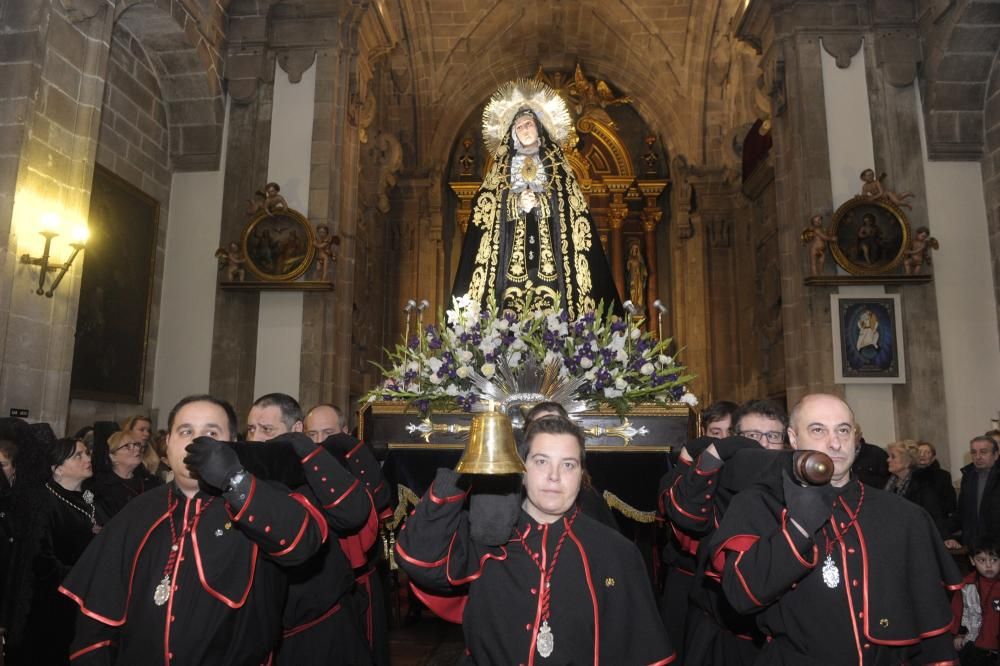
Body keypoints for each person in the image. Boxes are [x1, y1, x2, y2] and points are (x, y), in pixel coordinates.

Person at [60, 394, 328, 665]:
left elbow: (303, 543)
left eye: (211, 433)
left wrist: (235, 480)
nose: (196, 442)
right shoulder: (136, 513)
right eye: (186, 431)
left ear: (232, 445)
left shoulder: (260, 500)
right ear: (167, 444)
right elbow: (95, 629)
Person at [396, 416, 675, 664]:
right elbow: (419, 560)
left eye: (568, 465)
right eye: (541, 461)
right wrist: (467, 470)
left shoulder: (617, 552)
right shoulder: (484, 535)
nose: (554, 476)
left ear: (582, 475)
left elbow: (645, 651)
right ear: (522, 469)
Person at [710, 393, 961, 664]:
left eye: (843, 430)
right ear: (793, 439)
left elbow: (933, 631)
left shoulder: (905, 515)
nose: (835, 442)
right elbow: (742, 597)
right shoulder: (758, 503)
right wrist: (799, 529)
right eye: (818, 430)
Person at [450, 80, 621, 320]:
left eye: (529, 124)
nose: (525, 129)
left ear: (538, 127)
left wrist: (543, 202)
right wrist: (515, 204)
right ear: (513, 133)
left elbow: (572, 206)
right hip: (509, 255)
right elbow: (484, 208)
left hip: (551, 253)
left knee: (553, 301)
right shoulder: (502, 167)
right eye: (519, 127)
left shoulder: (558, 165)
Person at [250, 394, 384, 666]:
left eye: (267, 430)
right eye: (251, 430)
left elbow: (354, 512)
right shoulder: (249, 480)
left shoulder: (321, 476)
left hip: (323, 630)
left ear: (295, 432)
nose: (256, 440)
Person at [657, 400, 784, 665]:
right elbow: (686, 514)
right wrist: (713, 454)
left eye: (772, 436)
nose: (763, 445)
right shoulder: (716, 484)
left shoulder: (798, 487)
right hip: (723, 635)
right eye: (752, 436)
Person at [5, 438, 105, 665]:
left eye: (87, 453)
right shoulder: (44, 502)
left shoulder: (90, 499)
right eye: (78, 455)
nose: (88, 459)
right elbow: (42, 561)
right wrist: (86, 579)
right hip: (53, 606)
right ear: (57, 468)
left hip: (84, 603)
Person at [89, 429, 163, 519]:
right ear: (112, 457)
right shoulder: (99, 487)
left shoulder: (153, 482)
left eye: (136, 445)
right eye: (127, 446)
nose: (137, 449)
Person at [885, 439, 949, 536]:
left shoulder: (923, 484)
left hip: (915, 534)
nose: (888, 460)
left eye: (893, 457)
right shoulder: (889, 482)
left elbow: (933, 516)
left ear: (906, 462)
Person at [947, 436, 1000, 551]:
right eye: (973, 452)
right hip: (973, 545)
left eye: (983, 452)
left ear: (995, 455)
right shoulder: (968, 476)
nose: (978, 457)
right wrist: (943, 532)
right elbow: (961, 513)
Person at [953, 538, 1000, 665]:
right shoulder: (967, 585)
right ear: (972, 561)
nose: (989, 565)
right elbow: (957, 612)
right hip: (974, 642)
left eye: (994, 560)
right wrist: (958, 635)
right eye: (982, 560)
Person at [626, 243, 648, 308]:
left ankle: (639, 304)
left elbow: (643, 267)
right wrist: (628, 264)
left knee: (639, 290)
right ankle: (633, 303)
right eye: (634, 249)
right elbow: (627, 269)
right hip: (632, 276)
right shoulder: (630, 258)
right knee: (633, 290)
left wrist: (644, 272)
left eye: (636, 249)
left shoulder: (639, 258)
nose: (635, 250)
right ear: (632, 250)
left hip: (638, 276)